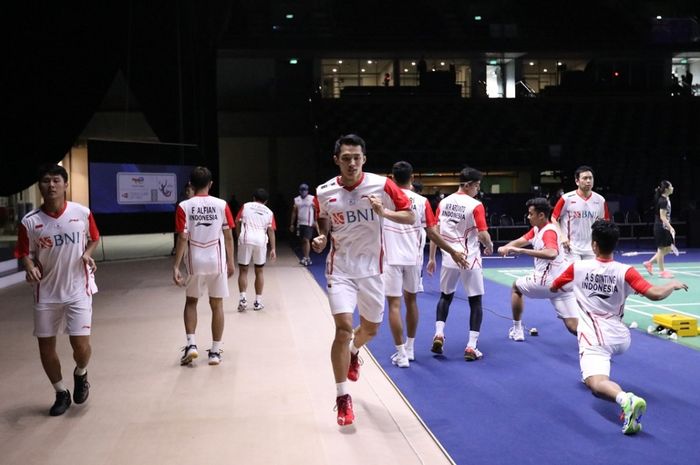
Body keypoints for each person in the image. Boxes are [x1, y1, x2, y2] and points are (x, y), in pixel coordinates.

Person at [311, 134, 414, 426]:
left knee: (370, 328)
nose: (352, 163)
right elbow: (324, 218)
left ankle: (356, 352)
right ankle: (343, 398)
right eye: (346, 158)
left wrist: (385, 212)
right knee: (343, 330)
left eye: (357, 157)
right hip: (340, 269)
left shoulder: (382, 185)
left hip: (372, 270)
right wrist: (322, 236)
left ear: (364, 159)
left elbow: (410, 215)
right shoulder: (324, 191)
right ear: (336, 160)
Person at [550, 220, 688, 434]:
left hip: (595, 338)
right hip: (621, 338)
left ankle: (626, 399)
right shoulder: (626, 271)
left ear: (594, 245)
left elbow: (554, 286)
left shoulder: (577, 267)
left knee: (595, 385)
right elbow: (655, 294)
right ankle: (594, 368)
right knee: (594, 359)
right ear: (614, 244)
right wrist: (671, 284)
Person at [14, 163, 100, 416]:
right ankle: (60, 391)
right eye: (45, 181)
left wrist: (86, 254)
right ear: (39, 186)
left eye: (56, 180)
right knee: (46, 348)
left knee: (80, 346)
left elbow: (94, 237)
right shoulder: (30, 222)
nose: (51, 185)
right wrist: (29, 265)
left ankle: (81, 373)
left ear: (65, 185)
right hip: (46, 292)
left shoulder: (81, 213)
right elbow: (23, 252)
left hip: (78, 289)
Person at [383, 161, 468, 368]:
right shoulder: (422, 202)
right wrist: (452, 251)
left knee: (394, 305)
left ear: (393, 179)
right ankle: (410, 349)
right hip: (413, 259)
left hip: (391, 259)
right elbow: (432, 233)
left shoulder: (383, 199)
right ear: (412, 178)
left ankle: (401, 353)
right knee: (411, 302)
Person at [427, 166, 494, 361]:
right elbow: (482, 233)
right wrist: (489, 245)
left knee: (445, 296)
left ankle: (439, 333)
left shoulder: (443, 202)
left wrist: (432, 257)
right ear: (468, 185)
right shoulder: (475, 205)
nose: (478, 190)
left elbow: (434, 232)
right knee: (475, 301)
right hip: (469, 258)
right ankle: (471, 346)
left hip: (448, 257)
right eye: (477, 186)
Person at [173, 166, 235, 366]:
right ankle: (215, 352)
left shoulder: (184, 206)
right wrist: (231, 261)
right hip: (216, 261)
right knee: (217, 305)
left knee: (191, 302)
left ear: (190, 184)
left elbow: (183, 237)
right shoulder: (222, 204)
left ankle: (191, 345)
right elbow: (228, 236)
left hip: (195, 260)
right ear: (211, 184)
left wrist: (176, 266)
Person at [497, 197, 578, 341]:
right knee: (573, 326)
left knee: (516, 287)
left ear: (541, 215)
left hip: (545, 283)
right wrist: (507, 247)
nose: (528, 217)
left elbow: (551, 253)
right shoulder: (537, 229)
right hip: (563, 285)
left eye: (530, 214)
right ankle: (599, 342)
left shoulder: (548, 232)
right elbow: (520, 241)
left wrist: (522, 252)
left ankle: (517, 330)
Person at [551, 165, 610, 261]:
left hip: (592, 248)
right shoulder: (566, 198)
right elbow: (554, 218)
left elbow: (604, 222)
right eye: (585, 178)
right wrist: (562, 236)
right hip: (571, 247)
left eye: (590, 178)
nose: (588, 181)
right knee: (574, 275)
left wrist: (601, 242)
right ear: (577, 181)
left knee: (589, 275)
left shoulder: (600, 200)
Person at [236, 188, 277, 311]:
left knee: (243, 271)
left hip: (246, 239)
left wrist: (239, 235)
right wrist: (273, 248)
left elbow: (236, 221)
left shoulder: (246, 206)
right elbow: (271, 230)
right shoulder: (269, 212)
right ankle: (258, 302)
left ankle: (243, 299)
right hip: (260, 241)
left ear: (253, 198)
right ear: (266, 201)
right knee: (259, 271)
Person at [643, 180, 675, 278]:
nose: (672, 188)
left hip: (664, 227)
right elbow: (662, 217)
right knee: (661, 250)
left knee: (669, 248)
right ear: (666, 189)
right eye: (671, 186)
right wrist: (671, 228)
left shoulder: (666, 198)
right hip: (661, 227)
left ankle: (649, 263)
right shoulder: (663, 201)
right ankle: (662, 272)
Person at [289, 183, 316, 266]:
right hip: (300, 223)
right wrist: (292, 224)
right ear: (300, 191)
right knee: (302, 241)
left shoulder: (312, 198)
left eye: (305, 190)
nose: (304, 191)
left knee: (306, 239)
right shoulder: (297, 200)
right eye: (302, 190)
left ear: (307, 190)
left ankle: (307, 257)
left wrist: (315, 220)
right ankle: (305, 257)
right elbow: (294, 212)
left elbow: (316, 210)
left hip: (309, 223)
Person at [172, 182, 195, 254]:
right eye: (186, 191)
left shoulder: (197, 202)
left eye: (189, 191)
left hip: (193, 226)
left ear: (194, 191)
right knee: (179, 234)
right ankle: (176, 248)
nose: (187, 193)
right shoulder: (181, 203)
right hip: (184, 224)